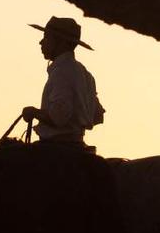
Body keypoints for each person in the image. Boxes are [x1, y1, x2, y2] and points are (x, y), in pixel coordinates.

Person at [22, 16, 105, 145]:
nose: (41, 42)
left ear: (61, 42)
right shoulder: (85, 73)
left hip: (56, 149)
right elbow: (98, 116)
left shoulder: (61, 72)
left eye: (46, 37)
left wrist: (33, 112)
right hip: (79, 146)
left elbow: (58, 117)